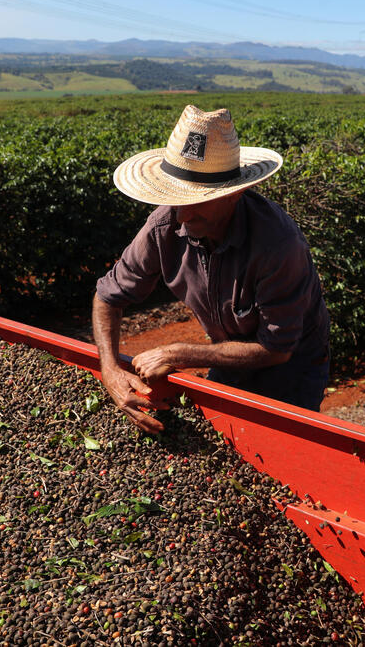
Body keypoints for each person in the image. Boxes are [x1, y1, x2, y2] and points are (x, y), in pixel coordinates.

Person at [93, 105, 330, 433]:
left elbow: (277, 350)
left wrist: (177, 353)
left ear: (234, 194)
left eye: (198, 202)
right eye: (178, 201)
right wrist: (110, 370)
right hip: (227, 348)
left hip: (293, 364)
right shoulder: (166, 224)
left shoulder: (277, 245)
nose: (184, 217)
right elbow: (108, 297)